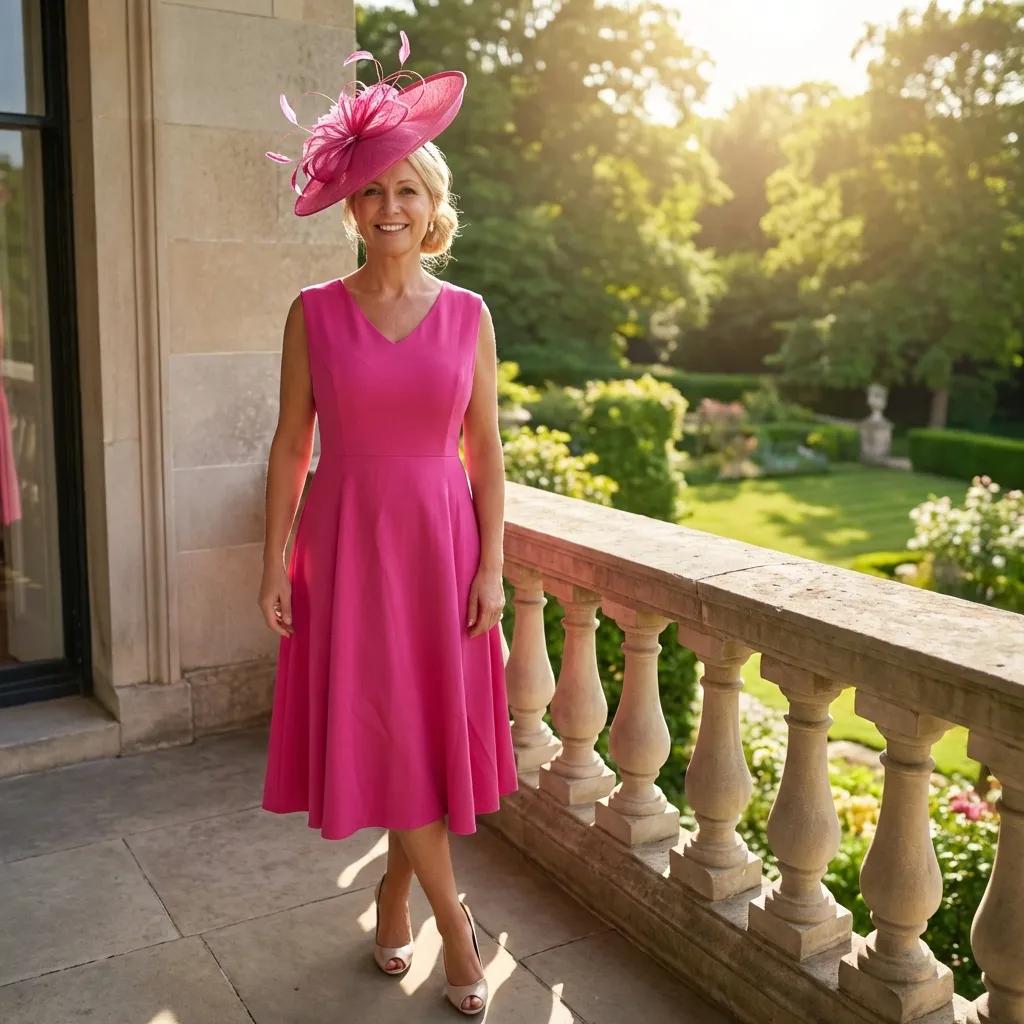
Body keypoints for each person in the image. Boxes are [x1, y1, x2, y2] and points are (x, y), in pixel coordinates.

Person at [256, 31, 518, 1015]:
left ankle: (395, 890)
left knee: (420, 741)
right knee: (390, 734)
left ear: (433, 205)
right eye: (372, 193)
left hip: (443, 548)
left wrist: (491, 562)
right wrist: (274, 562)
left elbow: (486, 452)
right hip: (347, 548)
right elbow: (289, 445)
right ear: (350, 209)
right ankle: (459, 927)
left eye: (407, 190)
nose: (390, 208)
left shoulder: (470, 314)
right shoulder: (312, 311)